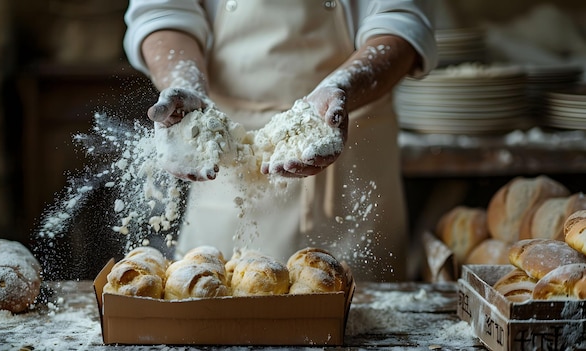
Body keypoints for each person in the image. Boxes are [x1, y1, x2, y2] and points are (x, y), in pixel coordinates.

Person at [123, 0, 437, 282]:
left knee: (361, 329)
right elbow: (163, 13)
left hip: (350, 150)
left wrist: (343, 86)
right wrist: (183, 83)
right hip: (224, 156)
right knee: (217, 312)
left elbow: (401, 23)